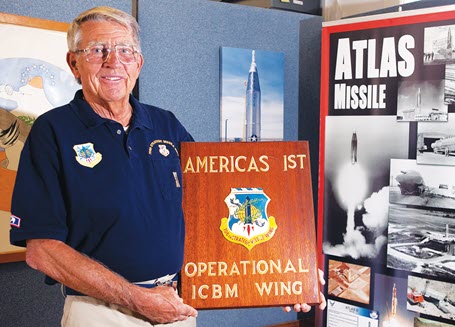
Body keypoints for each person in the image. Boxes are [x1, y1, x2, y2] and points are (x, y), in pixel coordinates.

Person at [10, 6, 325, 327]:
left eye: (125, 51)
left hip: (175, 305)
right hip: (102, 313)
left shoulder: (166, 124)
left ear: (139, 63)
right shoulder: (52, 131)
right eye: (97, 50)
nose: (113, 61)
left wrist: (286, 270)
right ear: (73, 63)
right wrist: (136, 297)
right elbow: (42, 250)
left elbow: (216, 208)